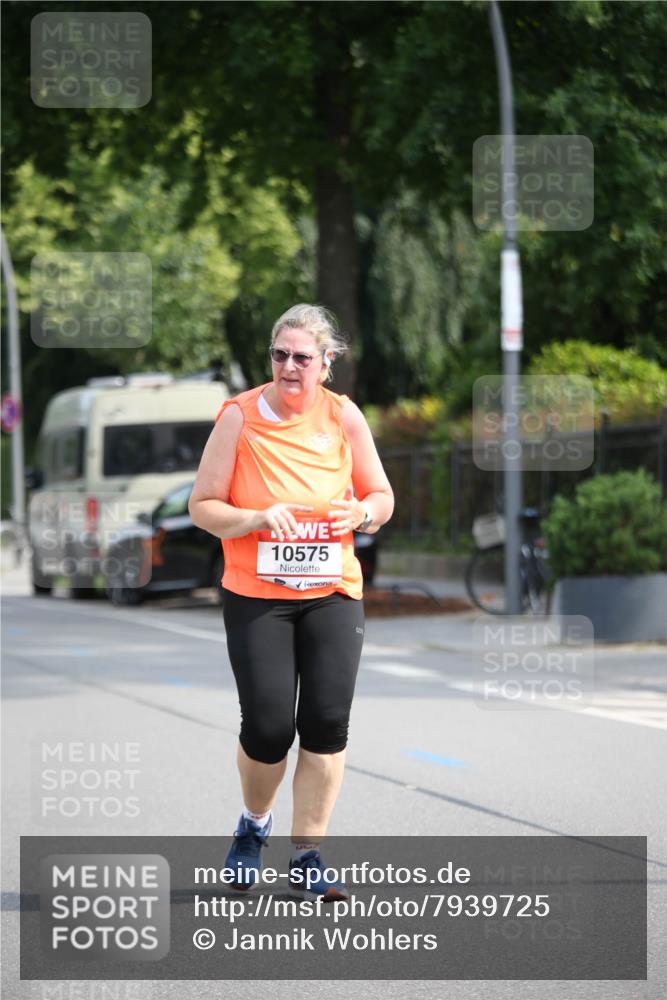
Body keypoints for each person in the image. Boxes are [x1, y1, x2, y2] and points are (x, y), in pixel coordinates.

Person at [189, 303, 394, 900]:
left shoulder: (343, 416)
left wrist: (362, 512)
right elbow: (203, 505)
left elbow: (380, 495)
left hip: (332, 590)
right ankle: (253, 827)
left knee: (327, 722)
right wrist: (255, 516)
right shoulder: (238, 417)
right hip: (258, 595)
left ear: (326, 364)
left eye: (303, 357)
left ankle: (307, 854)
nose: (289, 366)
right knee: (271, 726)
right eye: (280, 354)